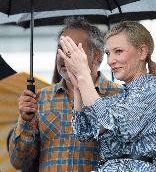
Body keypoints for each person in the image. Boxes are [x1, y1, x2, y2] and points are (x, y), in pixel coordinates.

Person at [9, 17, 123, 172]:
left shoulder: (119, 96)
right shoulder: (40, 98)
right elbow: (19, 162)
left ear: (96, 56)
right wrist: (25, 121)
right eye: (60, 49)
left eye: (72, 49)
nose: (63, 56)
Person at [58, 21, 156, 172]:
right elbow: (83, 132)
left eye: (118, 51)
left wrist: (85, 76)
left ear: (142, 52)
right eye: (108, 53)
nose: (110, 60)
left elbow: (119, 127)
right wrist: (78, 85)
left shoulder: (154, 88)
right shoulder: (119, 97)